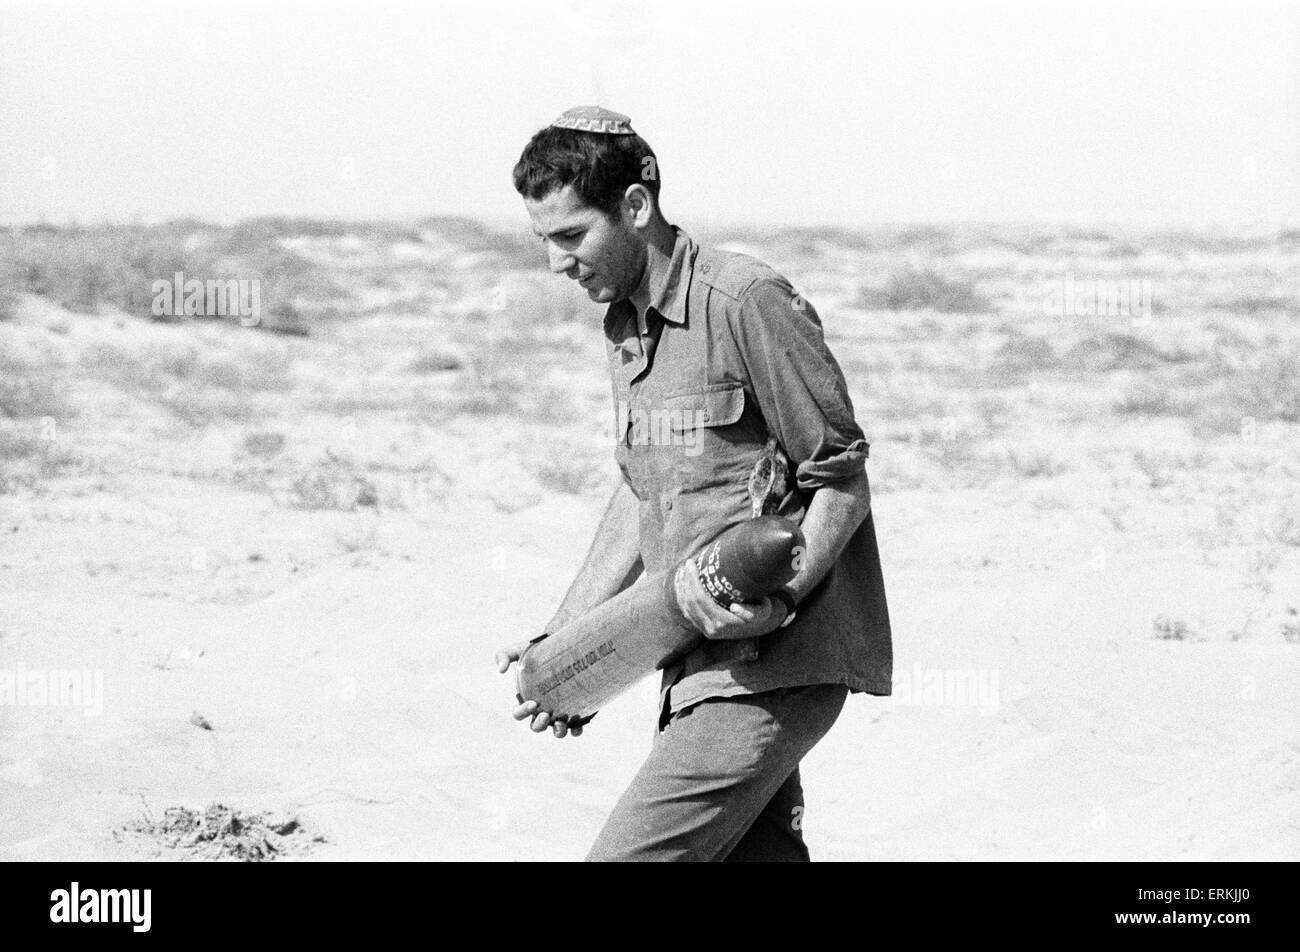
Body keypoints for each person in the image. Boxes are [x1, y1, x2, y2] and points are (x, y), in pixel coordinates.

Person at [495, 105, 892, 861]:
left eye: (572, 236)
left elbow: (842, 476)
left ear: (636, 207)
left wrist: (774, 604)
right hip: (691, 661)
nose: (556, 263)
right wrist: (569, 635)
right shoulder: (626, 325)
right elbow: (642, 489)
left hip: (769, 670)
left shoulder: (744, 301)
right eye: (542, 240)